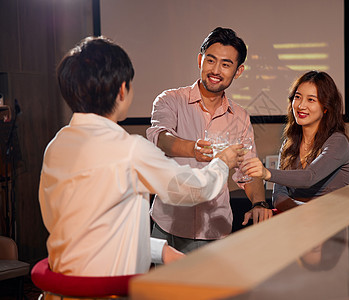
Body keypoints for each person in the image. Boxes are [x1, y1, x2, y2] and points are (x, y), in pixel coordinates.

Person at [38, 36, 243, 277]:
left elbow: (95, 230)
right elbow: (193, 189)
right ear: (122, 89)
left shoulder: (56, 145)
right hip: (110, 287)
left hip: (62, 282)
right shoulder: (130, 149)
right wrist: (222, 163)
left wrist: (161, 250)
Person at [147, 27, 272, 253]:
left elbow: (248, 170)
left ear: (239, 70)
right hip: (168, 224)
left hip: (214, 229)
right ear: (200, 60)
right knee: (163, 289)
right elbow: (160, 138)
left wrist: (259, 203)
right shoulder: (170, 100)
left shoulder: (241, 117)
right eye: (210, 60)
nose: (215, 70)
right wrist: (192, 149)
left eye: (226, 64)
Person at [241, 70, 349, 212]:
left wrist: (266, 173)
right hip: (299, 223)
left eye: (311, 100)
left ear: (326, 107)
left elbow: (309, 177)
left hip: (333, 222)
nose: (301, 106)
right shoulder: (289, 144)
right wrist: (302, 214)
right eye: (297, 97)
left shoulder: (338, 141)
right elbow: (278, 195)